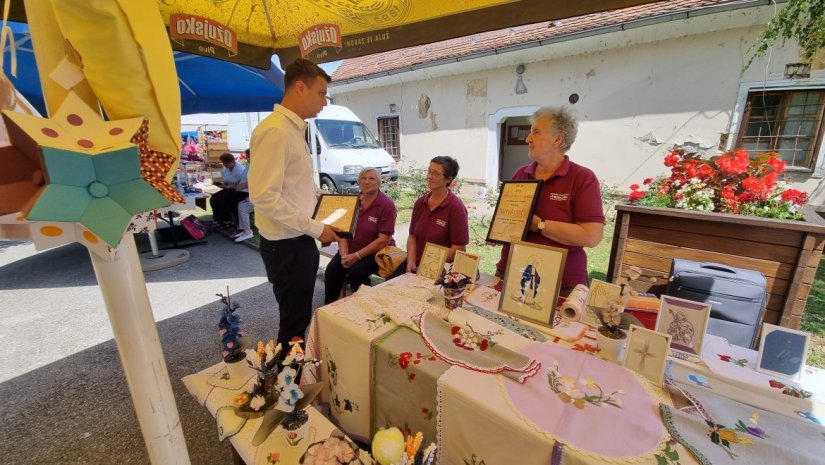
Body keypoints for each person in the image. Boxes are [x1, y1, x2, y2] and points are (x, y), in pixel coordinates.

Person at [248, 59, 340, 350]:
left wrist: (324, 199)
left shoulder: (292, 129)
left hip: (297, 240)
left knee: (299, 317)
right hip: (286, 245)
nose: (325, 102)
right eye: (321, 93)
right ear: (300, 87)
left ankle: (293, 379)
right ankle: (288, 387)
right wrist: (316, 227)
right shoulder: (275, 131)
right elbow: (264, 196)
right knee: (294, 322)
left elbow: (295, 183)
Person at [495, 106, 604, 295]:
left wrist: (537, 224)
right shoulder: (521, 174)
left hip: (561, 284)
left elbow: (591, 236)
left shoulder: (582, 178)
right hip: (512, 272)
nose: (528, 139)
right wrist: (501, 228)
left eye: (536, 132)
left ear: (558, 139)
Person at [324, 167, 397, 303]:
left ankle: (365, 308)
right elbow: (343, 231)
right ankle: (329, 309)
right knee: (331, 272)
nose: (367, 181)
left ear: (379, 183)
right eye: (363, 178)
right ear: (358, 182)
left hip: (376, 252)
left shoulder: (387, 205)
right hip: (351, 249)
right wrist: (344, 254)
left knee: (356, 273)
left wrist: (356, 256)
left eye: (371, 178)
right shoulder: (353, 202)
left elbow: (383, 240)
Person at [389, 156, 469, 279]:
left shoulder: (456, 208)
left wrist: (429, 262)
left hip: (440, 268)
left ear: (448, 178)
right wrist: (410, 261)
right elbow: (412, 237)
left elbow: (459, 248)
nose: (429, 176)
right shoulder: (420, 203)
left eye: (435, 173)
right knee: (388, 287)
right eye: (429, 171)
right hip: (415, 263)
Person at [209, 152, 249, 231]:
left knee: (224, 199)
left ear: (232, 162)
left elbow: (240, 185)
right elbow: (226, 179)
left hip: (240, 191)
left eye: (226, 163)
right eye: (223, 163)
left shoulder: (239, 170)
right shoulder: (226, 168)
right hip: (230, 188)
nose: (224, 165)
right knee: (214, 198)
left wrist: (227, 186)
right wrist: (220, 183)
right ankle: (218, 220)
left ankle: (227, 221)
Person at [234, 149, 254, 242]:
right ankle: (245, 230)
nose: (247, 159)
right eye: (247, 157)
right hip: (252, 193)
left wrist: (251, 196)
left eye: (248, 156)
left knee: (242, 206)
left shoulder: (258, 166)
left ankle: (248, 232)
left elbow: (256, 183)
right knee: (239, 204)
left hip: (262, 197)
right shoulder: (250, 165)